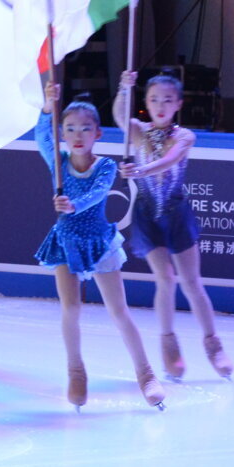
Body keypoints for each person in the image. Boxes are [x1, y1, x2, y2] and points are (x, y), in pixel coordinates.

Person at [36, 83, 165, 411]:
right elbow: (41, 136)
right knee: (71, 309)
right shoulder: (58, 161)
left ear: (97, 133)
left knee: (118, 311)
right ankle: (76, 372)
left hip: (99, 242)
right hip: (66, 242)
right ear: (62, 133)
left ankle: (146, 374)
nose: (77, 135)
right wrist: (48, 107)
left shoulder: (106, 166)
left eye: (85, 128)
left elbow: (96, 194)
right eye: (69, 129)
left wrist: (73, 205)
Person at [113, 70, 233, 382]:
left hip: (176, 214)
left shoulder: (184, 136)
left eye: (167, 100)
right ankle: (169, 345)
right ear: (146, 102)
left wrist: (141, 170)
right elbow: (120, 117)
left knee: (191, 282)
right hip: (147, 215)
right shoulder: (138, 131)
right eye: (154, 99)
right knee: (165, 279)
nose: (160, 105)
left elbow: (171, 159)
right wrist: (124, 89)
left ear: (178, 103)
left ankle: (213, 344)